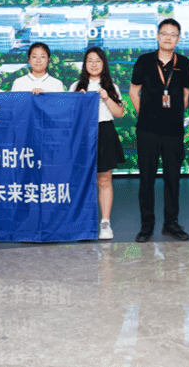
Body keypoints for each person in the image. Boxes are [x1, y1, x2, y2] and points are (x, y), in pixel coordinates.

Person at [129, 18, 189, 242]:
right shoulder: (145, 61)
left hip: (173, 131)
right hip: (147, 130)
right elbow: (133, 91)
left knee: (172, 178)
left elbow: (187, 93)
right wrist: (145, 114)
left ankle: (171, 223)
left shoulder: (183, 63)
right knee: (146, 178)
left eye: (173, 34)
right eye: (164, 33)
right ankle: (146, 225)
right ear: (157, 36)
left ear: (178, 39)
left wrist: (175, 114)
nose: (168, 37)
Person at [71, 47, 126, 241]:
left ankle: (105, 222)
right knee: (82, 180)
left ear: (104, 64)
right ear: (85, 64)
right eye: (90, 60)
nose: (94, 64)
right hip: (82, 134)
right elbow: (70, 116)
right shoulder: (76, 86)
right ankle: (82, 222)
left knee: (104, 179)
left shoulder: (111, 86)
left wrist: (106, 97)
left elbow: (119, 113)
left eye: (98, 60)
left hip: (104, 132)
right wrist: (79, 100)